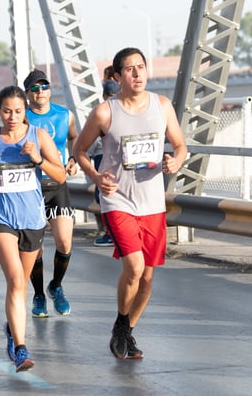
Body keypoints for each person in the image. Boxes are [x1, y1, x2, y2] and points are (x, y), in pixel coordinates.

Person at [74, 47, 187, 360]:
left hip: (152, 203)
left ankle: (125, 331)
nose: (137, 74)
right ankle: (122, 324)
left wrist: (175, 161)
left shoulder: (162, 106)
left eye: (141, 67)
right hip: (118, 201)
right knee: (134, 268)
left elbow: (180, 146)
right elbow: (80, 151)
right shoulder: (105, 112)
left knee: (148, 278)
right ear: (117, 76)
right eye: (130, 69)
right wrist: (96, 178)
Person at [0, 85, 65, 372]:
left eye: (18, 111)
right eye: (7, 111)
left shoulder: (38, 136)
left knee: (18, 287)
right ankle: (21, 349)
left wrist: (39, 160)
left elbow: (60, 176)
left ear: (25, 112)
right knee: (17, 280)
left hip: (32, 219)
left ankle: (12, 327)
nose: (12, 116)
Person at [23, 68, 78, 317]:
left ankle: (55, 286)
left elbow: (74, 138)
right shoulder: (22, 118)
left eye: (44, 86)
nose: (40, 91)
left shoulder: (65, 116)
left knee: (64, 243)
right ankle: (38, 295)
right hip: (31, 188)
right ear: (27, 94)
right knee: (37, 248)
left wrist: (74, 158)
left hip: (57, 184)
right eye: (35, 88)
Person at [91, 80, 121, 247]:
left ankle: (112, 234)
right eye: (110, 97)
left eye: (116, 96)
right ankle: (111, 233)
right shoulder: (100, 114)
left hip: (116, 160)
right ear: (103, 96)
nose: (113, 100)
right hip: (101, 158)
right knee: (102, 196)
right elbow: (87, 143)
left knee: (110, 196)